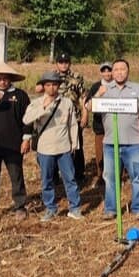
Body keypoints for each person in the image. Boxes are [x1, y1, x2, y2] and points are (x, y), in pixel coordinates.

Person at [91, 59, 139, 220]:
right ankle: (111, 208)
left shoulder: (138, 89)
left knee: (137, 176)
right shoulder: (104, 89)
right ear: (112, 72)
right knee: (110, 177)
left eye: (122, 69)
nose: (119, 72)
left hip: (134, 143)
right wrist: (98, 94)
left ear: (128, 71)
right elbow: (90, 107)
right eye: (115, 69)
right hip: (110, 143)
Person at [23, 71, 82, 222]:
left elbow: (72, 124)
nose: (51, 88)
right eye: (48, 85)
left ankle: (75, 208)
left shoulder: (66, 102)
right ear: (43, 87)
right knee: (47, 180)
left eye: (54, 85)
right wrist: (43, 107)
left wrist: (74, 144)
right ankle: (51, 208)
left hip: (63, 147)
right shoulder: (36, 103)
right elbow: (26, 119)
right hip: (45, 148)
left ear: (59, 86)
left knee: (70, 179)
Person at [0, 64, 31, 220]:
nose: (2, 82)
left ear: (10, 80)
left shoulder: (20, 96)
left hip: (13, 144)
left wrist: (26, 139)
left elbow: (28, 119)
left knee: (16, 176)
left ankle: (20, 206)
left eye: (5, 79)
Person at [53, 53, 88, 184]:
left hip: (74, 118)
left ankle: (79, 175)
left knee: (77, 146)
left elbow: (83, 96)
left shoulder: (77, 77)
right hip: (55, 119)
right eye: (61, 62)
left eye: (66, 62)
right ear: (57, 63)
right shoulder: (51, 77)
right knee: (55, 146)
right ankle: (55, 176)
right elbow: (40, 89)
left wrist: (85, 113)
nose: (63, 64)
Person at [84, 62, 113, 187]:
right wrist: (98, 94)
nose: (107, 73)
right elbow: (87, 105)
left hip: (115, 127)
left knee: (117, 153)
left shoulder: (117, 85)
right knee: (100, 154)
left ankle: (118, 176)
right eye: (104, 71)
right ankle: (100, 176)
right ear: (101, 72)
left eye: (109, 70)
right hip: (100, 126)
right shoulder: (96, 86)